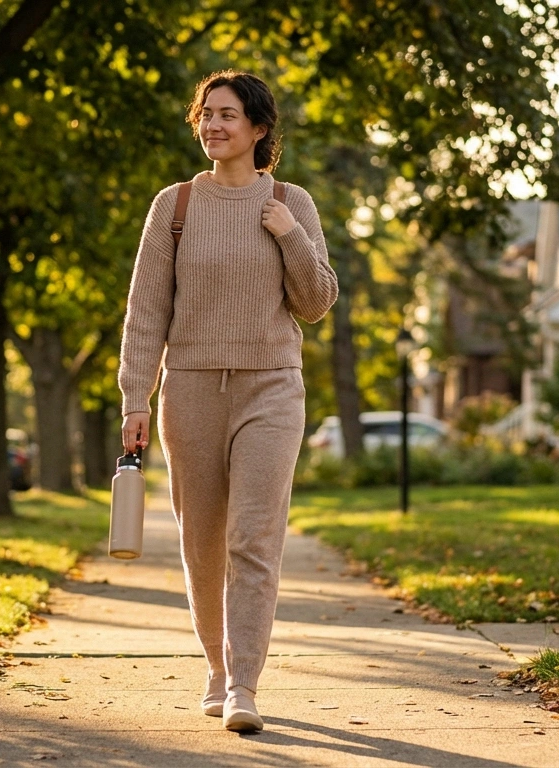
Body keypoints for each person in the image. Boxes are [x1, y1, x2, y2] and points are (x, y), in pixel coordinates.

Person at [116, 70, 338, 733]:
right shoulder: (175, 206)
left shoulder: (292, 202)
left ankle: (244, 684)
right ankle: (216, 668)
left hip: (272, 387)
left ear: (259, 128)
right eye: (206, 114)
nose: (213, 125)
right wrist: (135, 397)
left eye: (227, 115)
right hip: (189, 389)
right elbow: (146, 310)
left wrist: (289, 235)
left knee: (253, 538)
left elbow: (317, 303)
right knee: (203, 542)